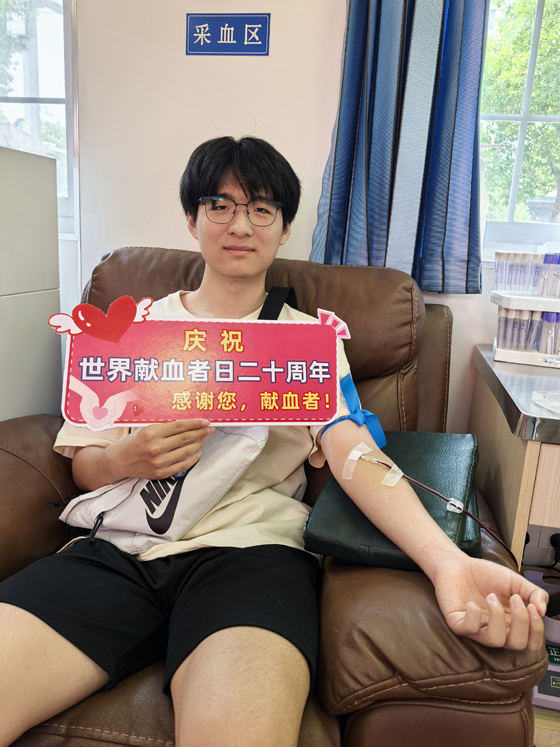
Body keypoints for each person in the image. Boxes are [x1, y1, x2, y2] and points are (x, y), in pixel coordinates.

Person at [0, 136, 548, 747]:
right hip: (118, 553)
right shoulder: (130, 330)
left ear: (284, 228)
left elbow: (355, 455)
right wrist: (124, 458)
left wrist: (446, 561)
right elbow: (83, 468)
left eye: (261, 209)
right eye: (220, 205)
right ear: (192, 218)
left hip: (253, 559)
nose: (240, 225)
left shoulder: (308, 343)